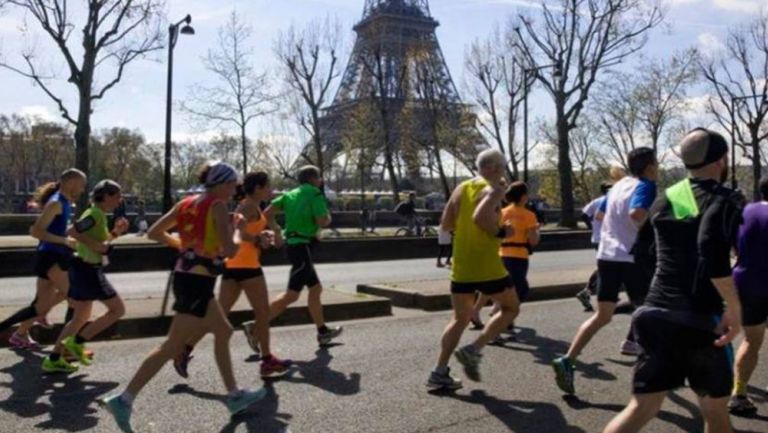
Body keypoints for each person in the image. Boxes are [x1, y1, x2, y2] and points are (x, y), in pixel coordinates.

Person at [100, 162, 266, 432]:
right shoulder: (218, 206)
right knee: (172, 346)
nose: (235, 189)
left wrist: (184, 246)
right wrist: (237, 226)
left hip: (187, 277)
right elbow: (230, 251)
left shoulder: (187, 202)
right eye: (233, 184)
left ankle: (234, 396)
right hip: (198, 281)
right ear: (223, 184)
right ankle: (124, 399)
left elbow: (154, 232)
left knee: (223, 331)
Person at [603, 128, 744, 433]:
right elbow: (709, 249)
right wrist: (733, 307)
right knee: (715, 410)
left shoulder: (668, 197)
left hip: (655, 313)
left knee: (643, 407)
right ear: (722, 161)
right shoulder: (725, 200)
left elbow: (644, 253)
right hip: (697, 319)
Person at [553, 147, 658, 395]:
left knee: (602, 316)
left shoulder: (618, 186)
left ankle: (568, 359)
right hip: (631, 257)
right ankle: (654, 370)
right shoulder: (646, 185)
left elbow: (599, 214)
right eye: (656, 163)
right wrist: (650, 228)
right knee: (649, 312)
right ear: (650, 166)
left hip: (607, 256)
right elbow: (638, 213)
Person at [173, 172, 291, 380]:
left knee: (220, 315)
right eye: (268, 186)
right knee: (262, 314)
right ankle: (267, 361)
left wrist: (262, 237)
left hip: (233, 265)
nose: (271, 190)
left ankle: (185, 349)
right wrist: (257, 239)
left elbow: (240, 230)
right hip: (247, 265)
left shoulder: (251, 206)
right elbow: (231, 229)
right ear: (257, 188)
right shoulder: (248, 206)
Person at [426, 149, 520, 389]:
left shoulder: (461, 188)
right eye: (502, 168)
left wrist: (466, 233)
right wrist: (501, 231)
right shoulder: (493, 188)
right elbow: (480, 217)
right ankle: (473, 349)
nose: (503, 173)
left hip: (462, 263)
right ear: (494, 168)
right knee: (511, 307)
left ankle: (439, 372)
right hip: (486, 262)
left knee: (460, 318)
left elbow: (446, 224)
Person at [41, 180, 129, 373]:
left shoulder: (98, 214)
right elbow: (72, 232)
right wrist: (97, 247)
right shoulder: (94, 213)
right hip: (88, 269)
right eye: (117, 196)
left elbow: (102, 242)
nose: (120, 200)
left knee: (80, 317)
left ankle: (54, 359)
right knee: (117, 310)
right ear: (106, 197)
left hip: (82, 268)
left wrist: (116, 233)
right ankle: (77, 342)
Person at [1, 169, 86, 348]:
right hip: (51, 257)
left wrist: (69, 237)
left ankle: (20, 334)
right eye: (81, 185)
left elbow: (54, 229)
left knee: (42, 305)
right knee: (76, 299)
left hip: (52, 255)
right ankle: (67, 347)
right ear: (71, 183)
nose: (82, 190)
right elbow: (36, 231)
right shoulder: (56, 203)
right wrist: (64, 240)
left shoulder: (63, 202)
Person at [264, 166, 343, 347]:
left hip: (294, 246)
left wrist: (277, 230)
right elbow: (322, 220)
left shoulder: (290, 194)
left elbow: (267, 213)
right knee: (291, 295)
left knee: (315, 289)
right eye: (319, 178)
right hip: (302, 247)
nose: (320, 181)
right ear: (313, 179)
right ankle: (255, 326)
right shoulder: (314, 194)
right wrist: (328, 219)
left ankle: (322, 331)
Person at [728, 176, 768, 415]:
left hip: (744, 282)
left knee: (751, 339)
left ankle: (739, 393)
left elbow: (735, 248)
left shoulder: (746, 211)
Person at [576, 182, 613, 312]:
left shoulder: (595, 202)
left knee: (606, 267)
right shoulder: (612, 201)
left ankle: (598, 293)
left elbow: (584, 215)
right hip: (608, 238)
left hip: (598, 238)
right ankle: (588, 292)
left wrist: (591, 227)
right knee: (607, 267)